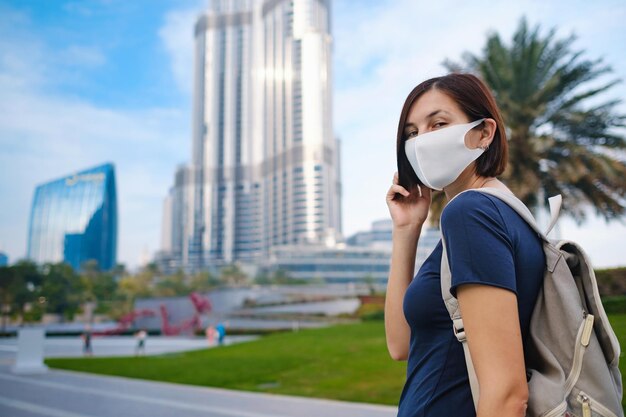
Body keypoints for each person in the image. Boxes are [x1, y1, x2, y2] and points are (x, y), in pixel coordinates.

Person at [385, 73, 545, 417]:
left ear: (484, 133)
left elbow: (506, 394)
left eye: (438, 124)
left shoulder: (471, 213)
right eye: (411, 133)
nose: (421, 142)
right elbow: (401, 345)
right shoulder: (493, 214)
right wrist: (406, 228)